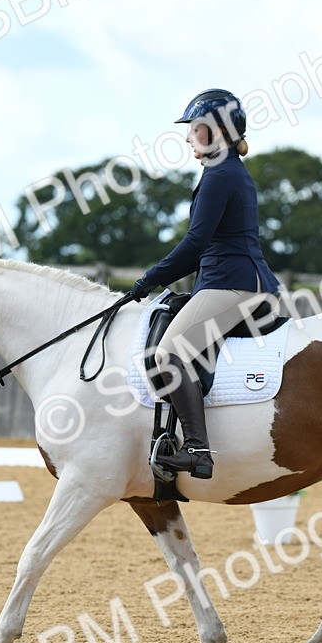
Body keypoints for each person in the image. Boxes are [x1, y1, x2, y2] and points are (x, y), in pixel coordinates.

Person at [129, 89, 281, 480]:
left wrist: (148, 280)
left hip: (232, 283)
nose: (187, 138)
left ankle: (198, 450)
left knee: (169, 353)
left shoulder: (221, 175)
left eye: (195, 129)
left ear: (217, 132)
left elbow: (196, 243)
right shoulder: (224, 171)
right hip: (229, 278)